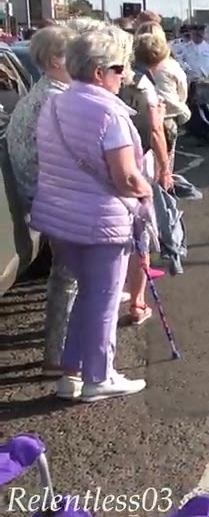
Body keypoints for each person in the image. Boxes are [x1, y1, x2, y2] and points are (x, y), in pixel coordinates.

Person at [31, 23, 152, 401]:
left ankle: (73, 373)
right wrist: (146, 190)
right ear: (99, 71)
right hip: (100, 220)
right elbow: (127, 177)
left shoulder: (55, 101)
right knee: (101, 298)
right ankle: (100, 376)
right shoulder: (110, 114)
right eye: (119, 69)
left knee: (86, 294)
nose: (123, 76)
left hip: (60, 215)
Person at [6, 24, 77, 378]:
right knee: (68, 278)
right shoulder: (56, 99)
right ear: (53, 60)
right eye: (73, 55)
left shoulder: (42, 93)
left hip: (41, 195)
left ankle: (59, 351)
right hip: (55, 197)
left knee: (64, 277)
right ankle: (59, 356)